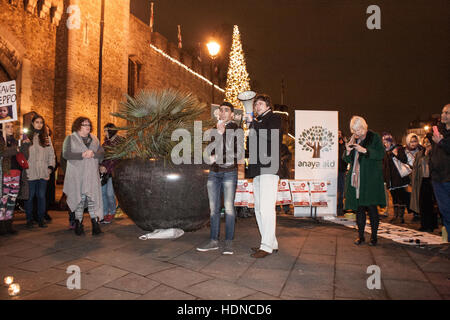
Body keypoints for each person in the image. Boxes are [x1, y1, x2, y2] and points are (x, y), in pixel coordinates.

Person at [197, 102, 242, 255]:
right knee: (213, 208)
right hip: (214, 173)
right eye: (220, 110)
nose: (222, 113)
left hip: (229, 172)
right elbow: (210, 151)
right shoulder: (215, 129)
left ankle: (229, 242)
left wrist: (222, 135)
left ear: (232, 114)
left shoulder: (237, 129)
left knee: (229, 209)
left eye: (226, 110)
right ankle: (213, 240)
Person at [246, 94, 281, 258]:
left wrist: (253, 123)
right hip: (258, 170)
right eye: (255, 104)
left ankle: (266, 246)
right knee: (259, 209)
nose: (257, 106)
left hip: (269, 168)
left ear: (267, 106)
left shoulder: (273, 118)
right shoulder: (257, 123)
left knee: (266, 209)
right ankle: (271, 243)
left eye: (260, 104)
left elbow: (271, 137)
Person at [343, 116, 385, 246]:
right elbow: (347, 160)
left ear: (364, 127)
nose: (357, 133)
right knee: (359, 208)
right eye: (354, 131)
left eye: (359, 130)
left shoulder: (374, 137)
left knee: (372, 208)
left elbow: (381, 154)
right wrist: (348, 152)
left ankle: (374, 237)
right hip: (357, 180)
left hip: (370, 179)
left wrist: (365, 151)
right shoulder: (353, 139)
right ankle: (360, 236)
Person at [63, 117, 104, 236]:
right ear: (78, 126)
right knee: (79, 199)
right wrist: (82, 154)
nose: (87, 126)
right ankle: (78, 224)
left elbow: (102, 153)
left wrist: (94, 154)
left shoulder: (95, 139)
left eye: (89, 124)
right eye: (84, 124)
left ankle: (95, 224)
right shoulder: (70, 138)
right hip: (77, 174)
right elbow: (66, 154)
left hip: (91, 174)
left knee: (92, 198)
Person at [25, 114, 55, 228]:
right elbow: (22, 153)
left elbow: (51, 154)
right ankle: (29, 218)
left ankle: (41, 218)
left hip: (43, 172)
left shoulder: (46, 137)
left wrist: (50, 168)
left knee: (41, 196)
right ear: (32, 123)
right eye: (37, 122)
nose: (39, 124)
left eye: (41, 122)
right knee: (30, 196)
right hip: (31, 171)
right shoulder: (27, 136)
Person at [0, 122, 30, 235]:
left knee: (12, 200)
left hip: (16, 173)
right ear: (2, 127)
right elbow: (2, 152)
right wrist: (17, 148)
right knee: (3, 200)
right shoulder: (1, 140)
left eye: (12, 126)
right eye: (7, 126)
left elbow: (25, 157)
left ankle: (8, 224)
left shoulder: (16, 140)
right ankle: (1, 225)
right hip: (5, 173)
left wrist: (25, 145)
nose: (11, 128)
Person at [430, 104, 450, 246]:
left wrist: (441, 142)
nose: (443, 115)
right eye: (443, 112)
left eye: (447, 113)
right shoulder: (439, 131)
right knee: (444, 211)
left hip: (448, 176)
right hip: (438, 177)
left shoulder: (443, 137)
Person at [410, 134, 438, 232]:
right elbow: (415, 168)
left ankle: (432, 225)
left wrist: (428, 154)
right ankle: (424, 224)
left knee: (432, 204)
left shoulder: (435, 153)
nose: (426, 144)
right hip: (422, 181)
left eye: (428, 142)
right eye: (425, 142)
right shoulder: (419, 154)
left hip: (432, 181)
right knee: (422, 204)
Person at [382, 133, 410, 224]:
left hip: (399, 177)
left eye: (387, 141)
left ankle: (401, 217)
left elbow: (404, 160)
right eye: (384, 142)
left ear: (391, 141)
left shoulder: (398, 148)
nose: (385, 144)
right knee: (394, 197)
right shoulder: (385, 152)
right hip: (391, 179)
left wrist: (396, 154)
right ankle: (395, 215)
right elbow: (385, 166)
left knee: (400, 197)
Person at [99, 123, 123, 224]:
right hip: (104, 173)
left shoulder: (120, 143)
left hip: (113, 173)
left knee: (109, 193)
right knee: (103, 193)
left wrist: (105, 167)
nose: (104, 133)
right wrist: (100, 166)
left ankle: (112, 212)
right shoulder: (105, 144)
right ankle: (104, 213)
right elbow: (100, 157)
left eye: (106, 130)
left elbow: (117, 159)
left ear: (111, 130)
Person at [404, 133, 423, 221]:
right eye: (411, 142)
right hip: (409, 174)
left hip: (419, 174)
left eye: (415, 141)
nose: (413, 144)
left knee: (419, 193)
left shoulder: (421, 150)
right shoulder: (404, 151)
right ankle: (414, 212)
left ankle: (420, 212)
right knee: (411, 195)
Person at [337, 130, 347, 216]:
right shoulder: (332, 144)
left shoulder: (344, 145)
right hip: (333, 169)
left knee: (341, 190)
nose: (338, 135)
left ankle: (340, 207)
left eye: (339, 133)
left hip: (341, 170)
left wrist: (342, 144)